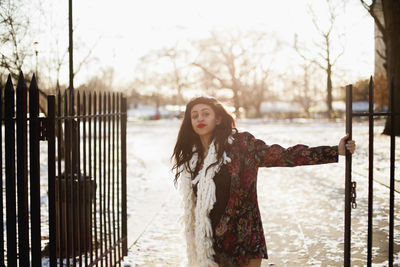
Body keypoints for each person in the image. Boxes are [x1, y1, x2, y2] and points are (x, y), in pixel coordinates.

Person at [171, 96, 356, 267]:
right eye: (194, 116)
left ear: (218, 118)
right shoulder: (192, 160)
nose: (199, 119)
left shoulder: (241, 145)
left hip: (241, 240)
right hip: (208, 243)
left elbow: (285, 155)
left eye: (205, 113)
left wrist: (334, 151)